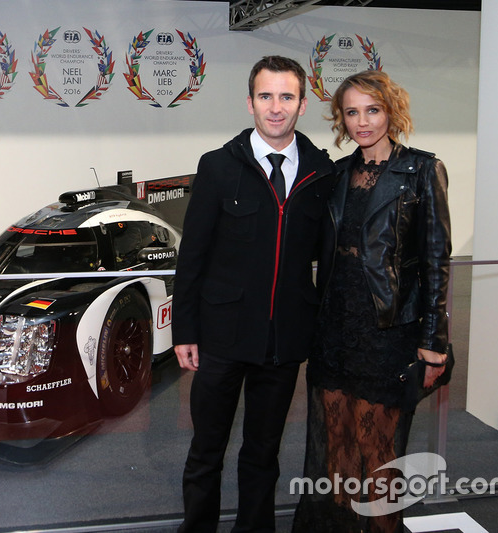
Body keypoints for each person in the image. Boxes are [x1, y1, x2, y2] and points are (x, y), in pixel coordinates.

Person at [172, 55, 336, 532]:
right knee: (206, 451)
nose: (276, 107)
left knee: (264, 453)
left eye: (287, 97)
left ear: (303, 104)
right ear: (250, 102)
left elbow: (327, 263)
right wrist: (186, 329)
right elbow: (193, 256)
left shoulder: (321, 174)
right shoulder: (219, 166)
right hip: (221, 338)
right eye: (266, 96)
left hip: (283, 344)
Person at [292, 70, 452, 532]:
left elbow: (438, 261)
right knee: (336, 448)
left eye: (373, 110)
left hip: (388, 335)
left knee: (378, 452)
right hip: (335, 329)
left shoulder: (422, 170)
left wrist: (434, 341)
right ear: (341, 119)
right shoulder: (337, 175)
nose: (363, 121)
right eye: (352, 112)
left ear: (391, 111)